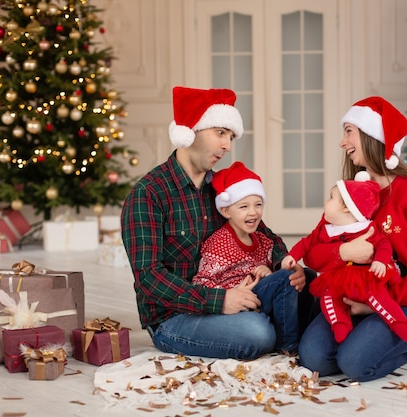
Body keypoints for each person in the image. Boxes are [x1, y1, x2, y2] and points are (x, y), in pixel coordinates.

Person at [121, 86, 306, 360]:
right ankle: (286, 327)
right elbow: (149, 278)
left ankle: (291, 321)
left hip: (237, 293)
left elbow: (266, 236)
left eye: (230, 136)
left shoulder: (223, 189)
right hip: (174, 318)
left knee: (306, 281)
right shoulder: (148, 193)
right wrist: (220, 301)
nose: (227, 146)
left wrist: (284, 263)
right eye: (220, 133)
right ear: (191, 130)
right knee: (258, 333)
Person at [297, 96, 407, 382]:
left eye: (349, 131)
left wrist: (378, 303)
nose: (342, 142)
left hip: (405, 301)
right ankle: (374, 339)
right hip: (350, 297)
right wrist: (344, 252)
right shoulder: (349, 192)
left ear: (373, 137)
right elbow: (312, 254)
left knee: (354, 364)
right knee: (314, 360)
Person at [281, 172, 407, 343]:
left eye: (331, 198)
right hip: (338, 279)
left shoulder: (367, 228)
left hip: (364, 277)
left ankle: (397, 321)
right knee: (328, 297)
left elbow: (383, 244)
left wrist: (380, 260)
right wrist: (293, 255)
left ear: (346, 207)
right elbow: (307, 243)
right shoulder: (327, 229)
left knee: (378, 297)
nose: (325, 202)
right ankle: (340, 324)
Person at [192, 161, 298, 353]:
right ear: (225, 211)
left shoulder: (263, 241)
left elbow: (269, 271)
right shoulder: (219, 243)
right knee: (284, 278)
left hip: (258, 296)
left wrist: (268, 270)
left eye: (258, 204)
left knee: (301, 277)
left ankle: (301, 333)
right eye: (243, 207)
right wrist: (229, 293)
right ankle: (287, 346)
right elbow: (202, 282)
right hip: (234, 303)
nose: (253, 212)